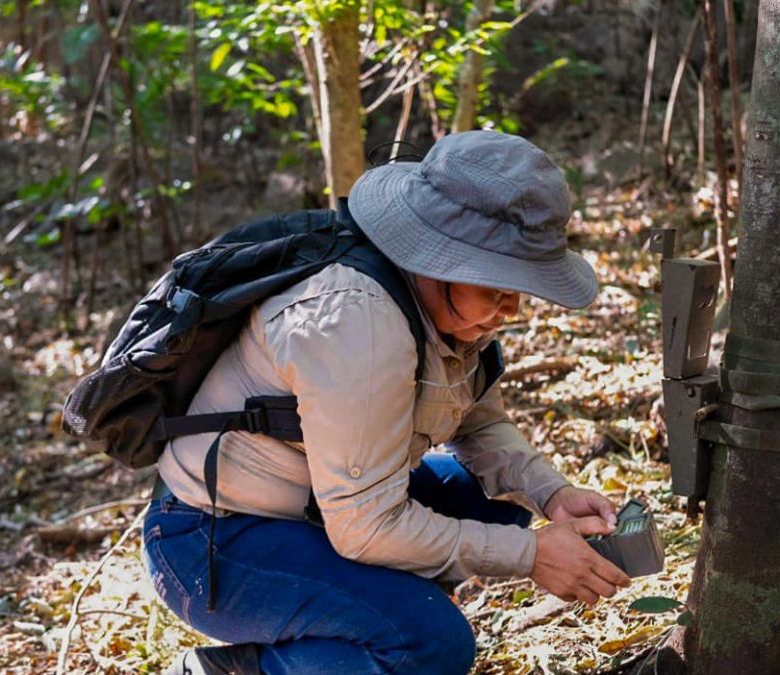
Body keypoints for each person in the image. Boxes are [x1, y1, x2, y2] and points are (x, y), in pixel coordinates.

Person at [148, 130, 631, 675]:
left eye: (519, 285)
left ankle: (361, 616)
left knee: (499, 497)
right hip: (213, 542)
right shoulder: (357, 322)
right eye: (498, 284)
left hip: (316, 509)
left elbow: (480, 427)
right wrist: (532, 557)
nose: (511, 307)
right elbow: (365, 528)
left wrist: (552, 495)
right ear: (442, 260)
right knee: (431, 644)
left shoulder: (450, 309)